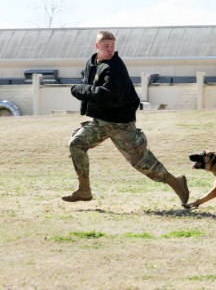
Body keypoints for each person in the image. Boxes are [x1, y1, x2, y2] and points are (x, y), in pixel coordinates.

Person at [62, 31, 189, 207]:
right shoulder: (92, 62)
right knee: (76, 143)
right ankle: (84, 190)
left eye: (113, 46)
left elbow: (108, 95)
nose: (110, 50)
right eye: (106, 46)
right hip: (99, 122)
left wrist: (78, 90)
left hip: (120, 124)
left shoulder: (115, 67)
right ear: (97, 46)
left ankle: (176, 182)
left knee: (142, 163)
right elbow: (91, 86)